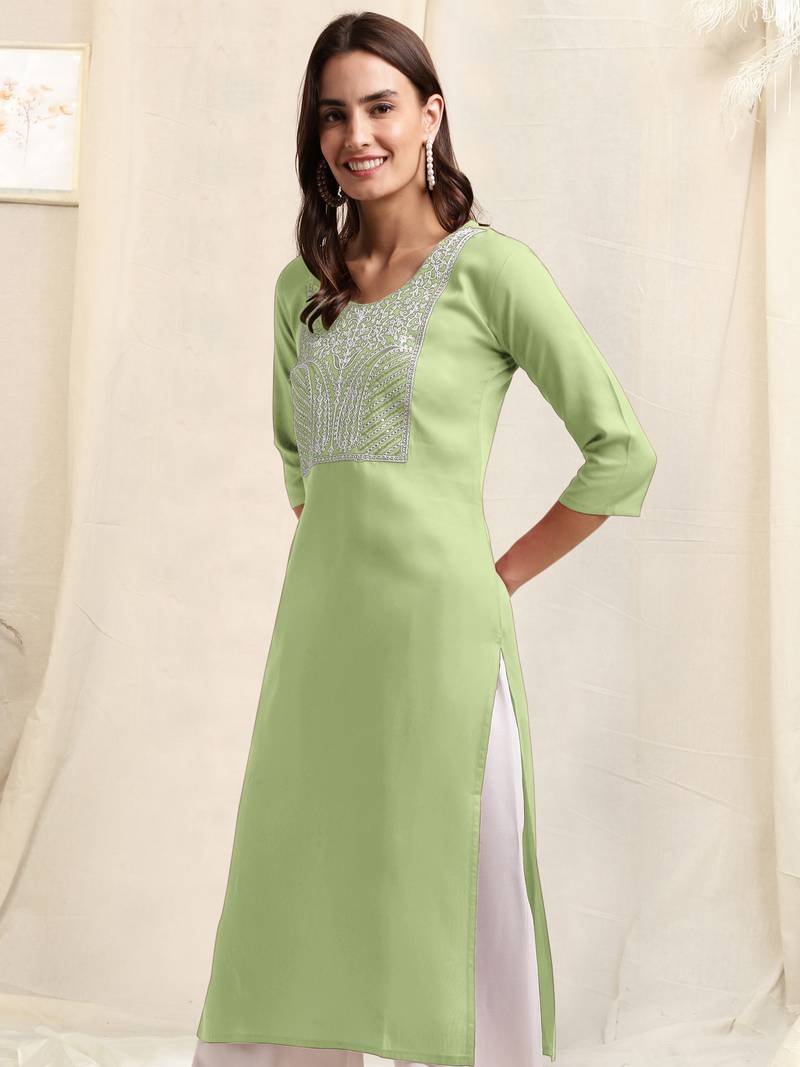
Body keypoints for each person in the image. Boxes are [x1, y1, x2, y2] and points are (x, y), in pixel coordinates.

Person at [192, 11, 657, 1067]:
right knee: (297, 882)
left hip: (443, 639)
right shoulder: (300, 291)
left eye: (381, 107)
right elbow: (298, 463)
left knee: (454, 884)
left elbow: (620, 449)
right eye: (333, 115)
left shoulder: (492, 270)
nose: (357, 135)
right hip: (318, 645)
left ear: (430, 115)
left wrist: (497, 575)